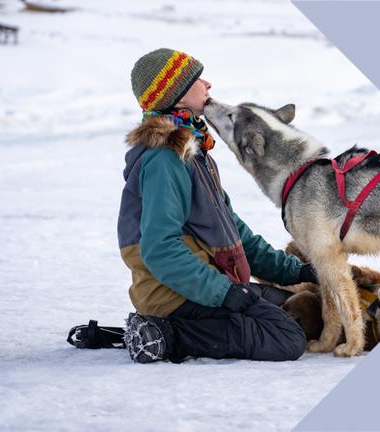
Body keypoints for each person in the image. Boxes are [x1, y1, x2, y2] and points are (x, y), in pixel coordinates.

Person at [117, 48, 317, 363]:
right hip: (173, 295)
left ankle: (158, 330)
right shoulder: (164, 159)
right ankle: (166, 336)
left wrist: (298, 270)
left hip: (204, 282)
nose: (207, 84)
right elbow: (159, 249)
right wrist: (225, 293)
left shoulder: (191, 152)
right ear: (178, 96)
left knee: (297, 305)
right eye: (197, 79)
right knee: (287, 338)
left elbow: (233, 230)